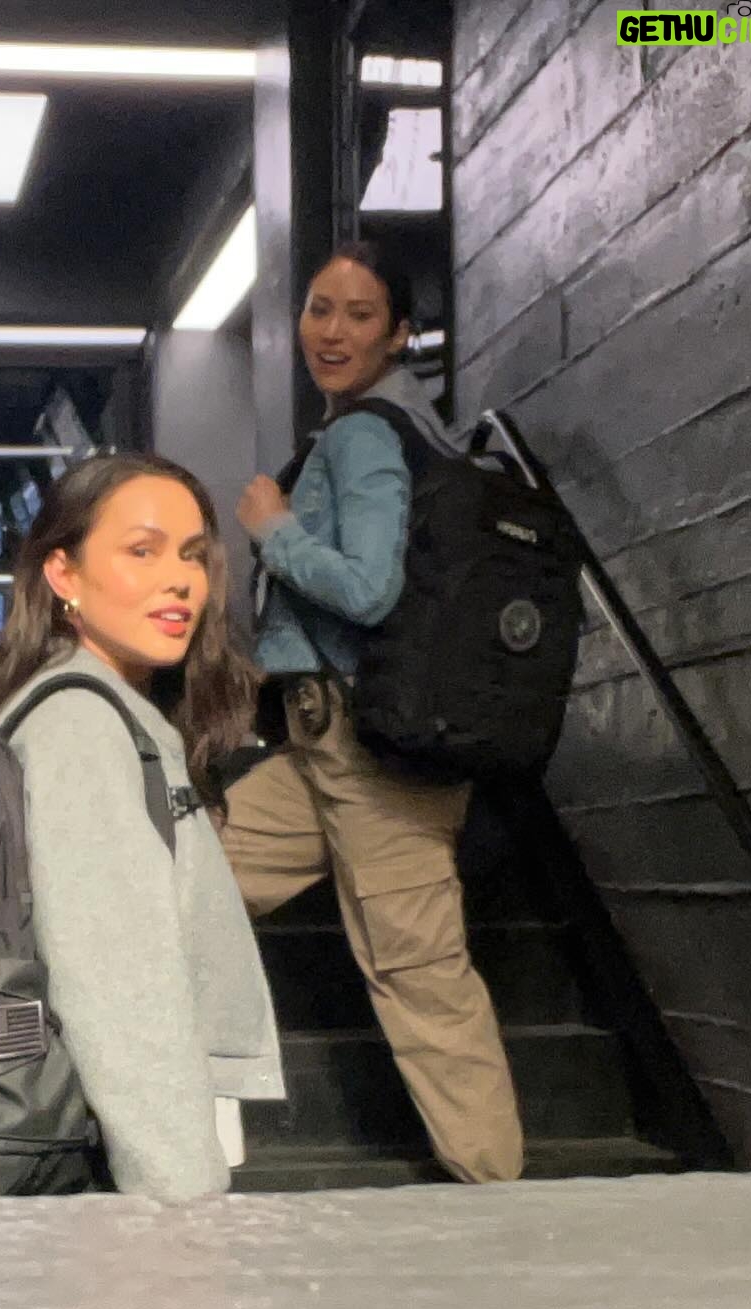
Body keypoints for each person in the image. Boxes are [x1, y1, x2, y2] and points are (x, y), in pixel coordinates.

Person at [220, 240, 525, 1184]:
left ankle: (501, 1205)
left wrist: (273, 529)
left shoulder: (364, 436)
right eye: (320, 308)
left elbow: (368, 589)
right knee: (186, 875)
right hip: (324, 753)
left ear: (398, 335)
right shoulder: (404, 432)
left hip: (371, 756)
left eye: (360, 315)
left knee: (421, 979)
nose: (332, 330)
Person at [0, 452, 285, 1202]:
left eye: (193, 555)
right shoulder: (80, 726)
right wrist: (182, 1205)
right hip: (126, 1175)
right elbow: (119, 989)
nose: (181, 580)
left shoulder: (103, 713)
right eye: (142, 551)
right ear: (63, 574)